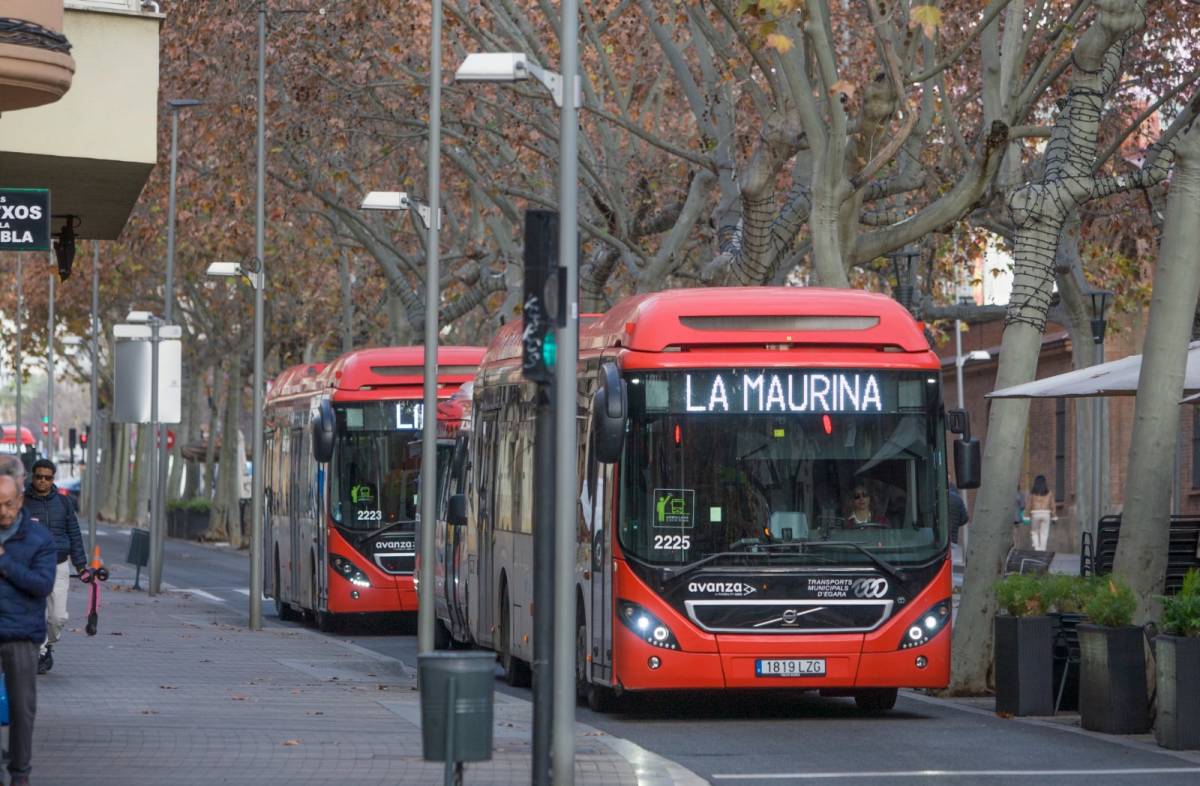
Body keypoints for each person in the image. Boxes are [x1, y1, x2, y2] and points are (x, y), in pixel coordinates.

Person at [0, 461, 58, 786]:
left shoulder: (39, 539)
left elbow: (42, 584)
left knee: (22, 708)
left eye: (8, 504)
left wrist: (5, 562)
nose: (3, 512)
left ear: (20, 500)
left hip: (21, 634)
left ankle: (20, 772)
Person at [23, 458, 89, 674]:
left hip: (59, 565)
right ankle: (40, 652)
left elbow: (74, 533)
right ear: (32, 477)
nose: (43, 481)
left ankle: (49, 644)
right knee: (37, 613)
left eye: (47, 477)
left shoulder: (63, 503)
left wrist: (81, 566)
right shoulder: (21, 502)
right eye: (39, 476)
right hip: (31, 567)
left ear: (53, 479)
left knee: (57, 617)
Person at [1028, 474, 1054, 551]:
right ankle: (1043, 549)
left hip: (1035, 513)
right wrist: (1054, 516)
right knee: (1044, 533)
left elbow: (1028, 505)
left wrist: (1026, 515)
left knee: (1034, 532)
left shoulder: (1032, 493)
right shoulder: (1049, 493)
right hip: (1046, 513)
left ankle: (1036, 548)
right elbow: (1052, 505)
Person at [948, 483, 969, 564]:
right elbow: (965, 518)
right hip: (953, 539)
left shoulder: (939, 497)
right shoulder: (958, 499)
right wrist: (956, 523)